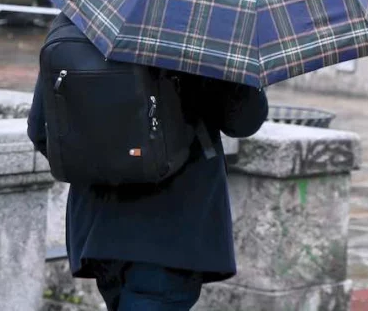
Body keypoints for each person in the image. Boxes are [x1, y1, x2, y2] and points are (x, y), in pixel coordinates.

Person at [27, 15, 269, 310]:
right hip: (174, 229)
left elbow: (42, 131)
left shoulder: (81, 17)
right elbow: (243, 121)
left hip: (98, 231)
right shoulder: (204, 22)